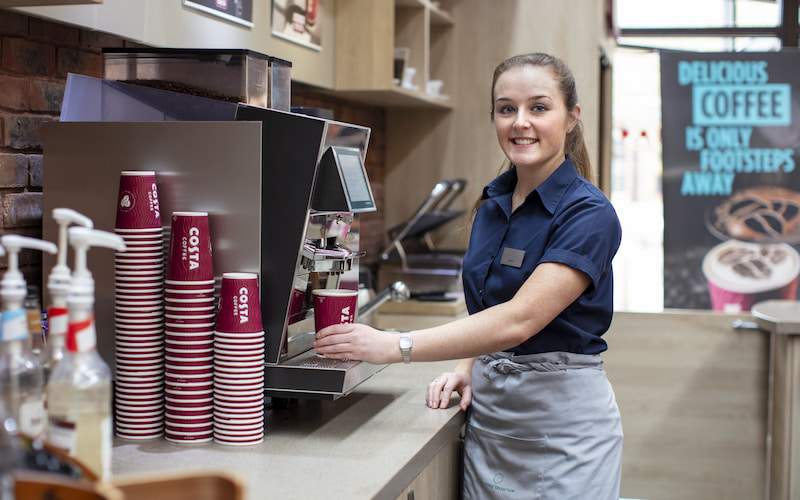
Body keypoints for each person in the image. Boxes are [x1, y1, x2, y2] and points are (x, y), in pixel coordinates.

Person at [313, 52, 623, 499]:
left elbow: (521, 319)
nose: (520, 122)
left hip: (563, 434)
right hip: (492, 427)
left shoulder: (588, 214)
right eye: (506, 109)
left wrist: (395, 344)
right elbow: (492, 307)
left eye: (539, 107)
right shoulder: (493, 204)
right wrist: (468, 363)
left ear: (571, 117)